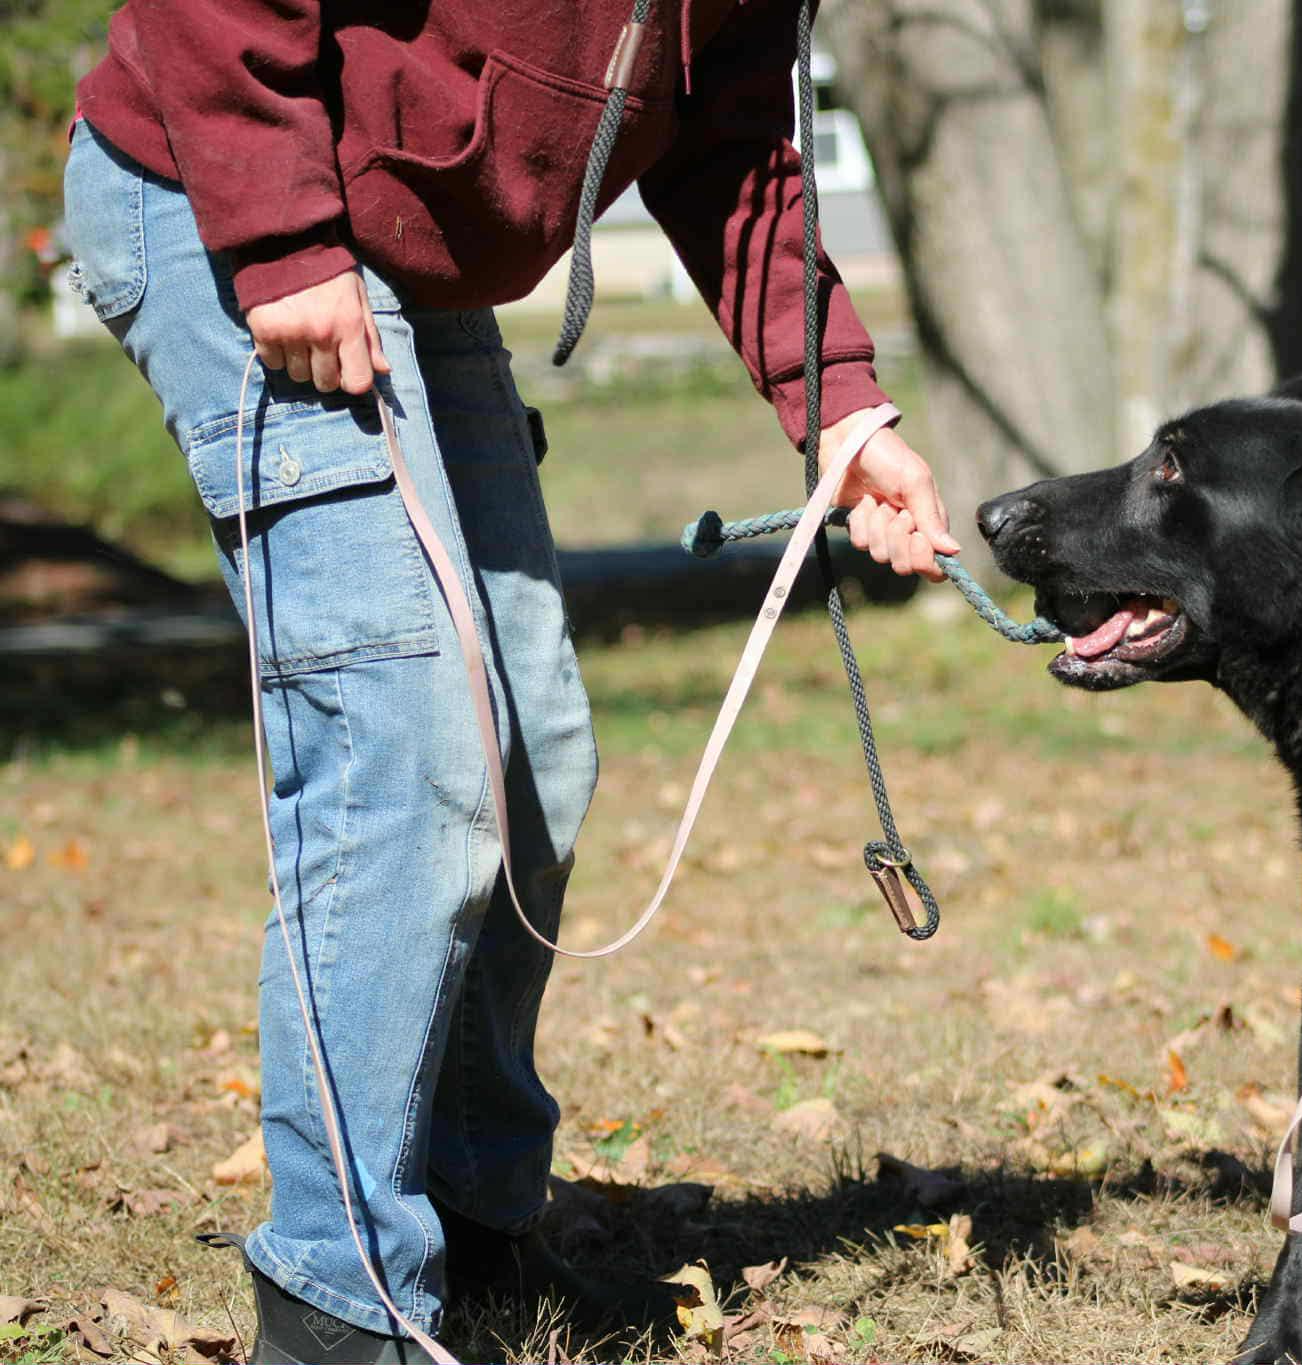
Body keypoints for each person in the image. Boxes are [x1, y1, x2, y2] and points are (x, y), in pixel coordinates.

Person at [64, 3, 959, 1360]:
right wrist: (281, 233)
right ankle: (335, 1302)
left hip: (406, 257)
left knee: (531, 752)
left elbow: (729, 149)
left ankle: (473, 1234)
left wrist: (840, 403)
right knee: (405, 753)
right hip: (225, 196)